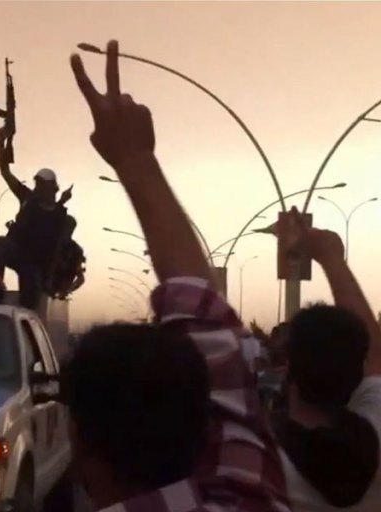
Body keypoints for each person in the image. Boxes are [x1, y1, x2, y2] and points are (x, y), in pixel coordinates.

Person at [61, 40, 288, 511]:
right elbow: (204, 315)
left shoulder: (247, 489)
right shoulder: (247, 497)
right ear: (208, 427)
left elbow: (208, 324)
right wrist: (136, 158)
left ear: (79, 446)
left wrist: (133, 159)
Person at [272, 210, 381, 511]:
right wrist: (331, 257)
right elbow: (375, 354)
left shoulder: (260, 465)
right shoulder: (375, 431)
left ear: (289, 368)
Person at [0, 126, 76, 310]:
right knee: (0, 243)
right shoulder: (28, 198)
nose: (38, 188)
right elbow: (5, 172)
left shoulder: (61, 216)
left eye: (43, 184)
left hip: (36, 264)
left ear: (52, 188)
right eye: (37, 183)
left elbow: (58, 248)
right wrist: (0, 142)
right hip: (18, 252)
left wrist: (49, 280)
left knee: (29, 306)